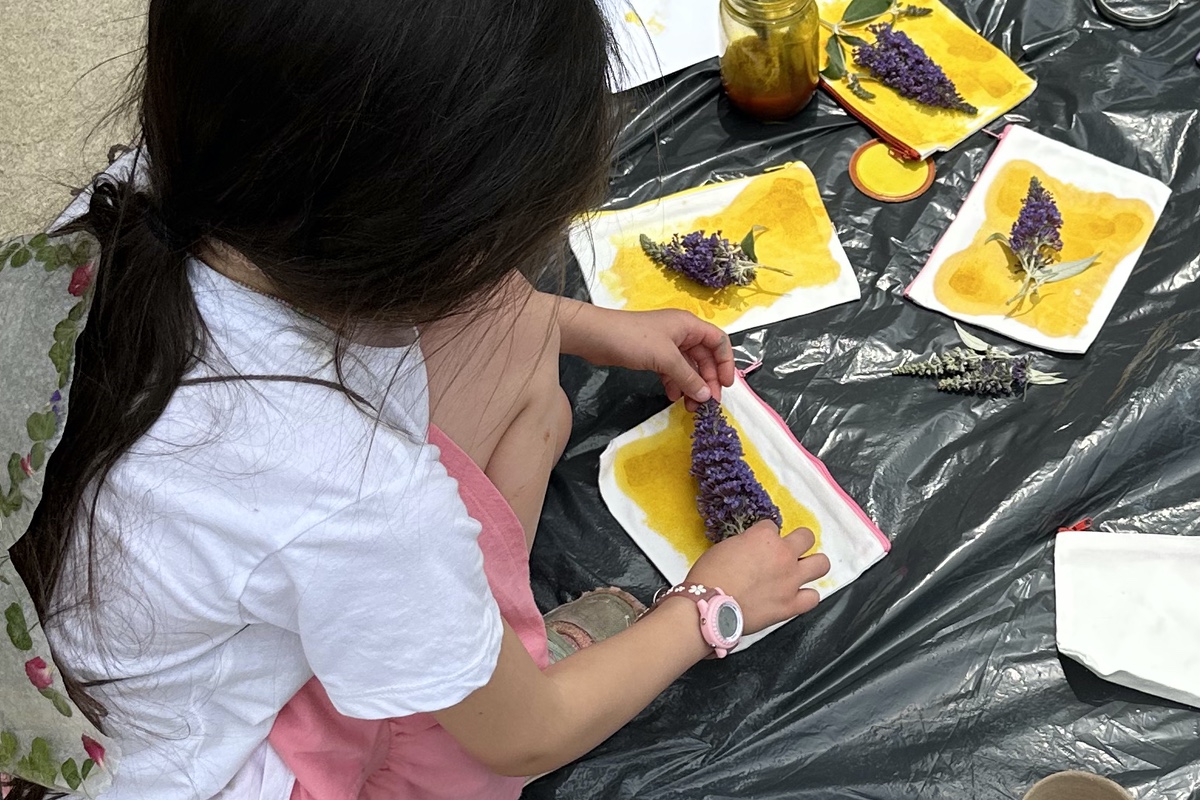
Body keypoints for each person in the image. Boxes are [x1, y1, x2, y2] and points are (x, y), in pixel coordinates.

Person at [6, 0, 830, 798]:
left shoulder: (167, 184)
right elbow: (526, 733)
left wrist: (578, 324)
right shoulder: (356, 493)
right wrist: (707, 608)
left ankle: (467, 652)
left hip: (80, 671)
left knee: (532, 383)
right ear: (433, 239)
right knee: (488, 681)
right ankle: (490, 662)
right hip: (202, 773)